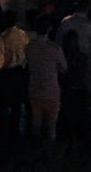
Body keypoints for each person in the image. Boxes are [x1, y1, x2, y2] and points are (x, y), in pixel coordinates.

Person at [25, 14, 67, 144]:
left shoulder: (28, 47)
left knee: (36, 121)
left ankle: (34, 149)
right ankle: (50, 154)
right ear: (49, 29)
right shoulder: (55, 48)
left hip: (34, 89)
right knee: (51, 124)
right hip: (51, 90)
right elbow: (64, 67)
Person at [0, 11, 28, 143]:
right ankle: (19, 133)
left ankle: (8, 135)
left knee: (6, 105)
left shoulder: (2, 38)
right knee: (18, 105)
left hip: (8, 75)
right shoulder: (23, 34)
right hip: (21, 72)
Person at [56, 0, 91, 92]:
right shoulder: (89, 24)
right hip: (85, 62)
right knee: (84, 88)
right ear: (88, 9)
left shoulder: (65, 21)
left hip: (66, 60)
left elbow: (58, 41)